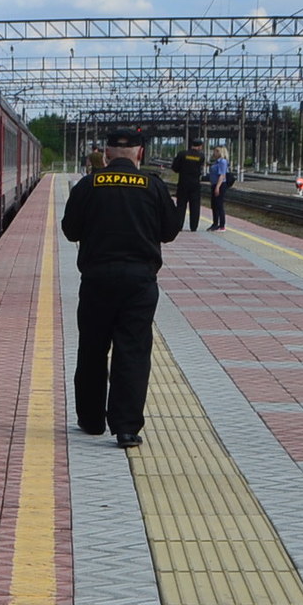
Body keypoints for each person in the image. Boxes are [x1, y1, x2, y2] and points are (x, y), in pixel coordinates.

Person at [61, 127, 180, 449]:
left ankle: (91, 419)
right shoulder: (153, 186)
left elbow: (70, 231)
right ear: (140, 153)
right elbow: (170, 232)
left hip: (97, 279)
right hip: (140, 283)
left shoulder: (89, 184)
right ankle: (126, 428)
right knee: (133, 351)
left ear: (108, 152)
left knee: (92, 349)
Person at [170, 137, 206, 231]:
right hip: (195, 184)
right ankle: (193, 227)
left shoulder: (182, 154)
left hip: (183, 183)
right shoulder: (201, 156)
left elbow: (175, 168)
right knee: (195, 206)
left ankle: (179, 225)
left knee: (181, 205)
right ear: (200, 146)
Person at [207, 144, 232, 230]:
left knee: (219, 204)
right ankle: (215, 223)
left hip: (220, 185)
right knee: (214, 205)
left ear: (220, 152)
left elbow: (222, 175)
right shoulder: (216, 162)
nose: (214, 153)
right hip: (215, 184)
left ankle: (222, 225)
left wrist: (217, 187)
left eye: (216, 151)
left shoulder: (222, 162)